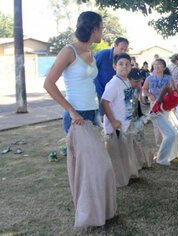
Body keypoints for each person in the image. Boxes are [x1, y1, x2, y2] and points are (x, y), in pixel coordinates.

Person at [43, 11, 117, 228]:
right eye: (101, 28)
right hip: (77, 117)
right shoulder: (69, 51)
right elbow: (49, 84)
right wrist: (71, 111)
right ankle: (88, 216)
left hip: (92, 114)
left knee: (98, 167)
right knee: (91, 169)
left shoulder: (91, 52)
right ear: (93, 28)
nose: (102, 32)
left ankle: (97, 213)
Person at [101, 53, 139, 187]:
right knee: (115, 156)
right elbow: (104, 102)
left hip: (125, 125)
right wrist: (113, 122)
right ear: (114, 66)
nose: (124, 66)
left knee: (124, 152)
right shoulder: (114, 83)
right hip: (115, 128)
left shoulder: (126, 81)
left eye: (127, 64)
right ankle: (117, 181)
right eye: (121, 64)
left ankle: (126, 175)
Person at [151, 82, 178, 165]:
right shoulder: (176, 95)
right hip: (158, 113)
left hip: (165, 113)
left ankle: (172, 155)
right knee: (170, 135)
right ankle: (161, 160)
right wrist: (160, 99)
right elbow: (166, 87)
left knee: (177, 133)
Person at [94, 37, 129, 118]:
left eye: (125, 50)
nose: (123, 52)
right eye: (121, 49)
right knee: (105, 117)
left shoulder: (123, 58)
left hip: (116, 92)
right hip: (101, 91)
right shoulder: (102, 55)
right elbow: (91, 70)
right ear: (115, 45)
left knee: (115, 115)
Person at [143, 58, 173, 146]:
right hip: (154, 103)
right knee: (156, 123)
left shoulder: (168, 78)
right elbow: (144, 89)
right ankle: (159, 143)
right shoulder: (149, 78)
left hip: (165, 103)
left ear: (164, 67)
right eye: (155, 64)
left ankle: (167, 139)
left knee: (166, 121)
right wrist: (149, 95)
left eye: (159, 64)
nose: (157, 66)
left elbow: (173, 90)